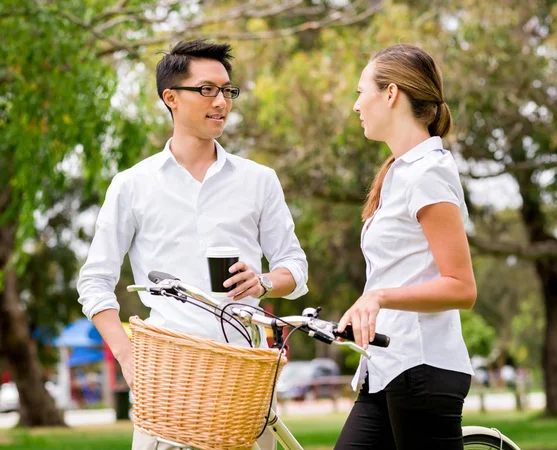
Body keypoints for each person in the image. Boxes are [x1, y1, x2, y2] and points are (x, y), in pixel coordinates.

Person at [77, 39, 308, 450]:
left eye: (227, 90)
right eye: (206, 89)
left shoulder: (259, 180)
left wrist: (264, 281)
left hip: (244, 374)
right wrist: (129, 359)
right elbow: (94, 282)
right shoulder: (132, 185)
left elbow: (294, 265)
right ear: (171, 98)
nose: (221, 101)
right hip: (166, 376)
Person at [334, 44, 477, 450]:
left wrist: (377, 298)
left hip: (423, 367)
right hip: (386, 366)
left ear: (391, 93)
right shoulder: (399, 173)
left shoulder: (429, 174)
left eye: (362, 92)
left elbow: (461, 287)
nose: (356, 105)